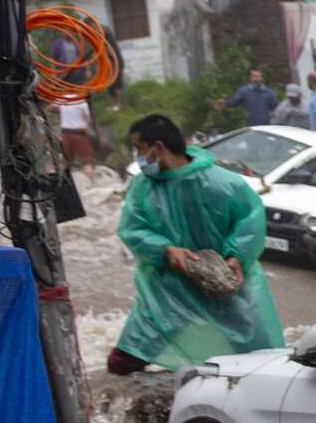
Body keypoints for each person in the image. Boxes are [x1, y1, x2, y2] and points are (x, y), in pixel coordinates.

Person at [111, 113, 282, 373]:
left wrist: (236, 257)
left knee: (258, 366)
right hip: (167, 296)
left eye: (139, 148)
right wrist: (165, 250)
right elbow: (132, 228)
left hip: (225, 291)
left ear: (158, 148)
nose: (138, 156)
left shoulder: (224, 183)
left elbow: (251, 220)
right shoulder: (142, 188)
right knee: (122, 363)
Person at [57, 97, 94, 171]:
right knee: (86, 162)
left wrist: (60, 109)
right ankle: (91, 181)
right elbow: (88, 120)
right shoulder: (82, 101)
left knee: (66, 162)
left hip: (65, 133)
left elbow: (50, 107)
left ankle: (66, 180)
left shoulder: (62, 99)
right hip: (80, 134)